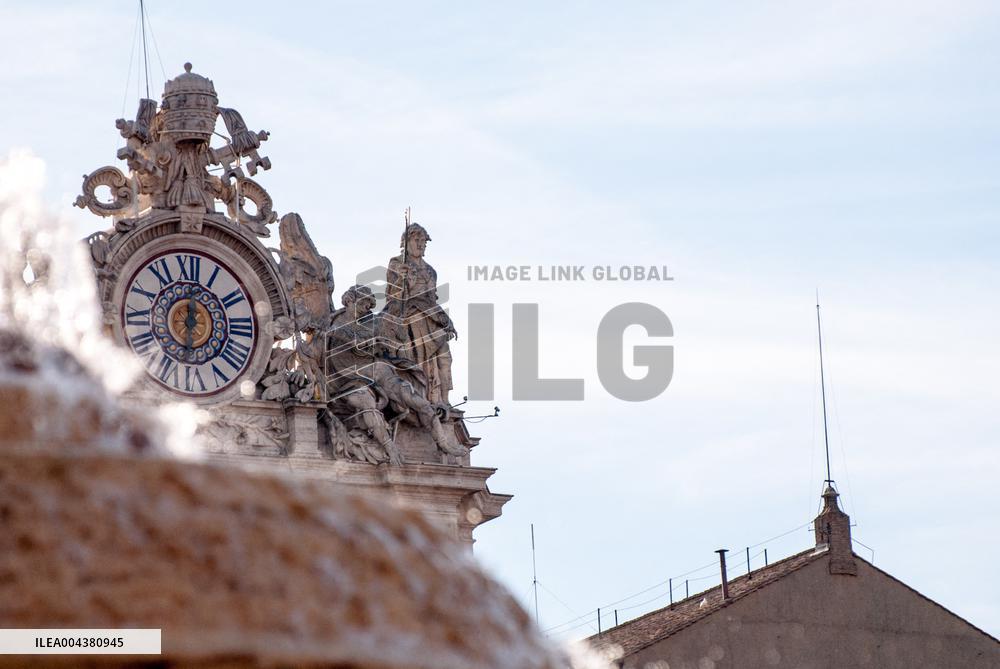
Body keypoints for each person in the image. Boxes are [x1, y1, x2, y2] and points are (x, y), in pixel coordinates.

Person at [326, 285, 465, 464]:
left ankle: (443, 443)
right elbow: (320, 349)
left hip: (376, 369)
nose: (366, 309)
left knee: (412, 397)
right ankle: (390, 448)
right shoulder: (331, 323)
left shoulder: (373, 323)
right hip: (346, 380)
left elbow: (385, 341)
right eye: (363, 304)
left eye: (369, 306)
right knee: (368, 405)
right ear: (349, 301)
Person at [383, 223, 455, 405]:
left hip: (431, 316)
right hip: (409, 315)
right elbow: (392, 295)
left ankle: (444, 400)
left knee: (445, 357)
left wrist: (446, 321)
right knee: (417, 358)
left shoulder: (431, 271)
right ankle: (421, 397)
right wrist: (403, 280)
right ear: (406, 242)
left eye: (424, 241)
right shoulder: (397, 263)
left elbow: (433, 299)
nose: (421, 244)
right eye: (417, 240)